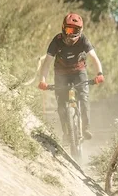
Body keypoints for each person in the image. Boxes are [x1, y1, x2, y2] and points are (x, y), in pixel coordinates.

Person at [38, 13, 104, 141]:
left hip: (79, 71)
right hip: (61, 72)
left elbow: (94, 58)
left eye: (75, 30)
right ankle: (66, 133)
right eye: (68, 29)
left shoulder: (83, 40)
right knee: (61, 103)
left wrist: (99, 74)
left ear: (80, 31)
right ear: (63, 28)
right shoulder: (56, 41)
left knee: (84, 96)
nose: (70, 34)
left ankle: (86, 128)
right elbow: (47, 62)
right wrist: (43, 80)